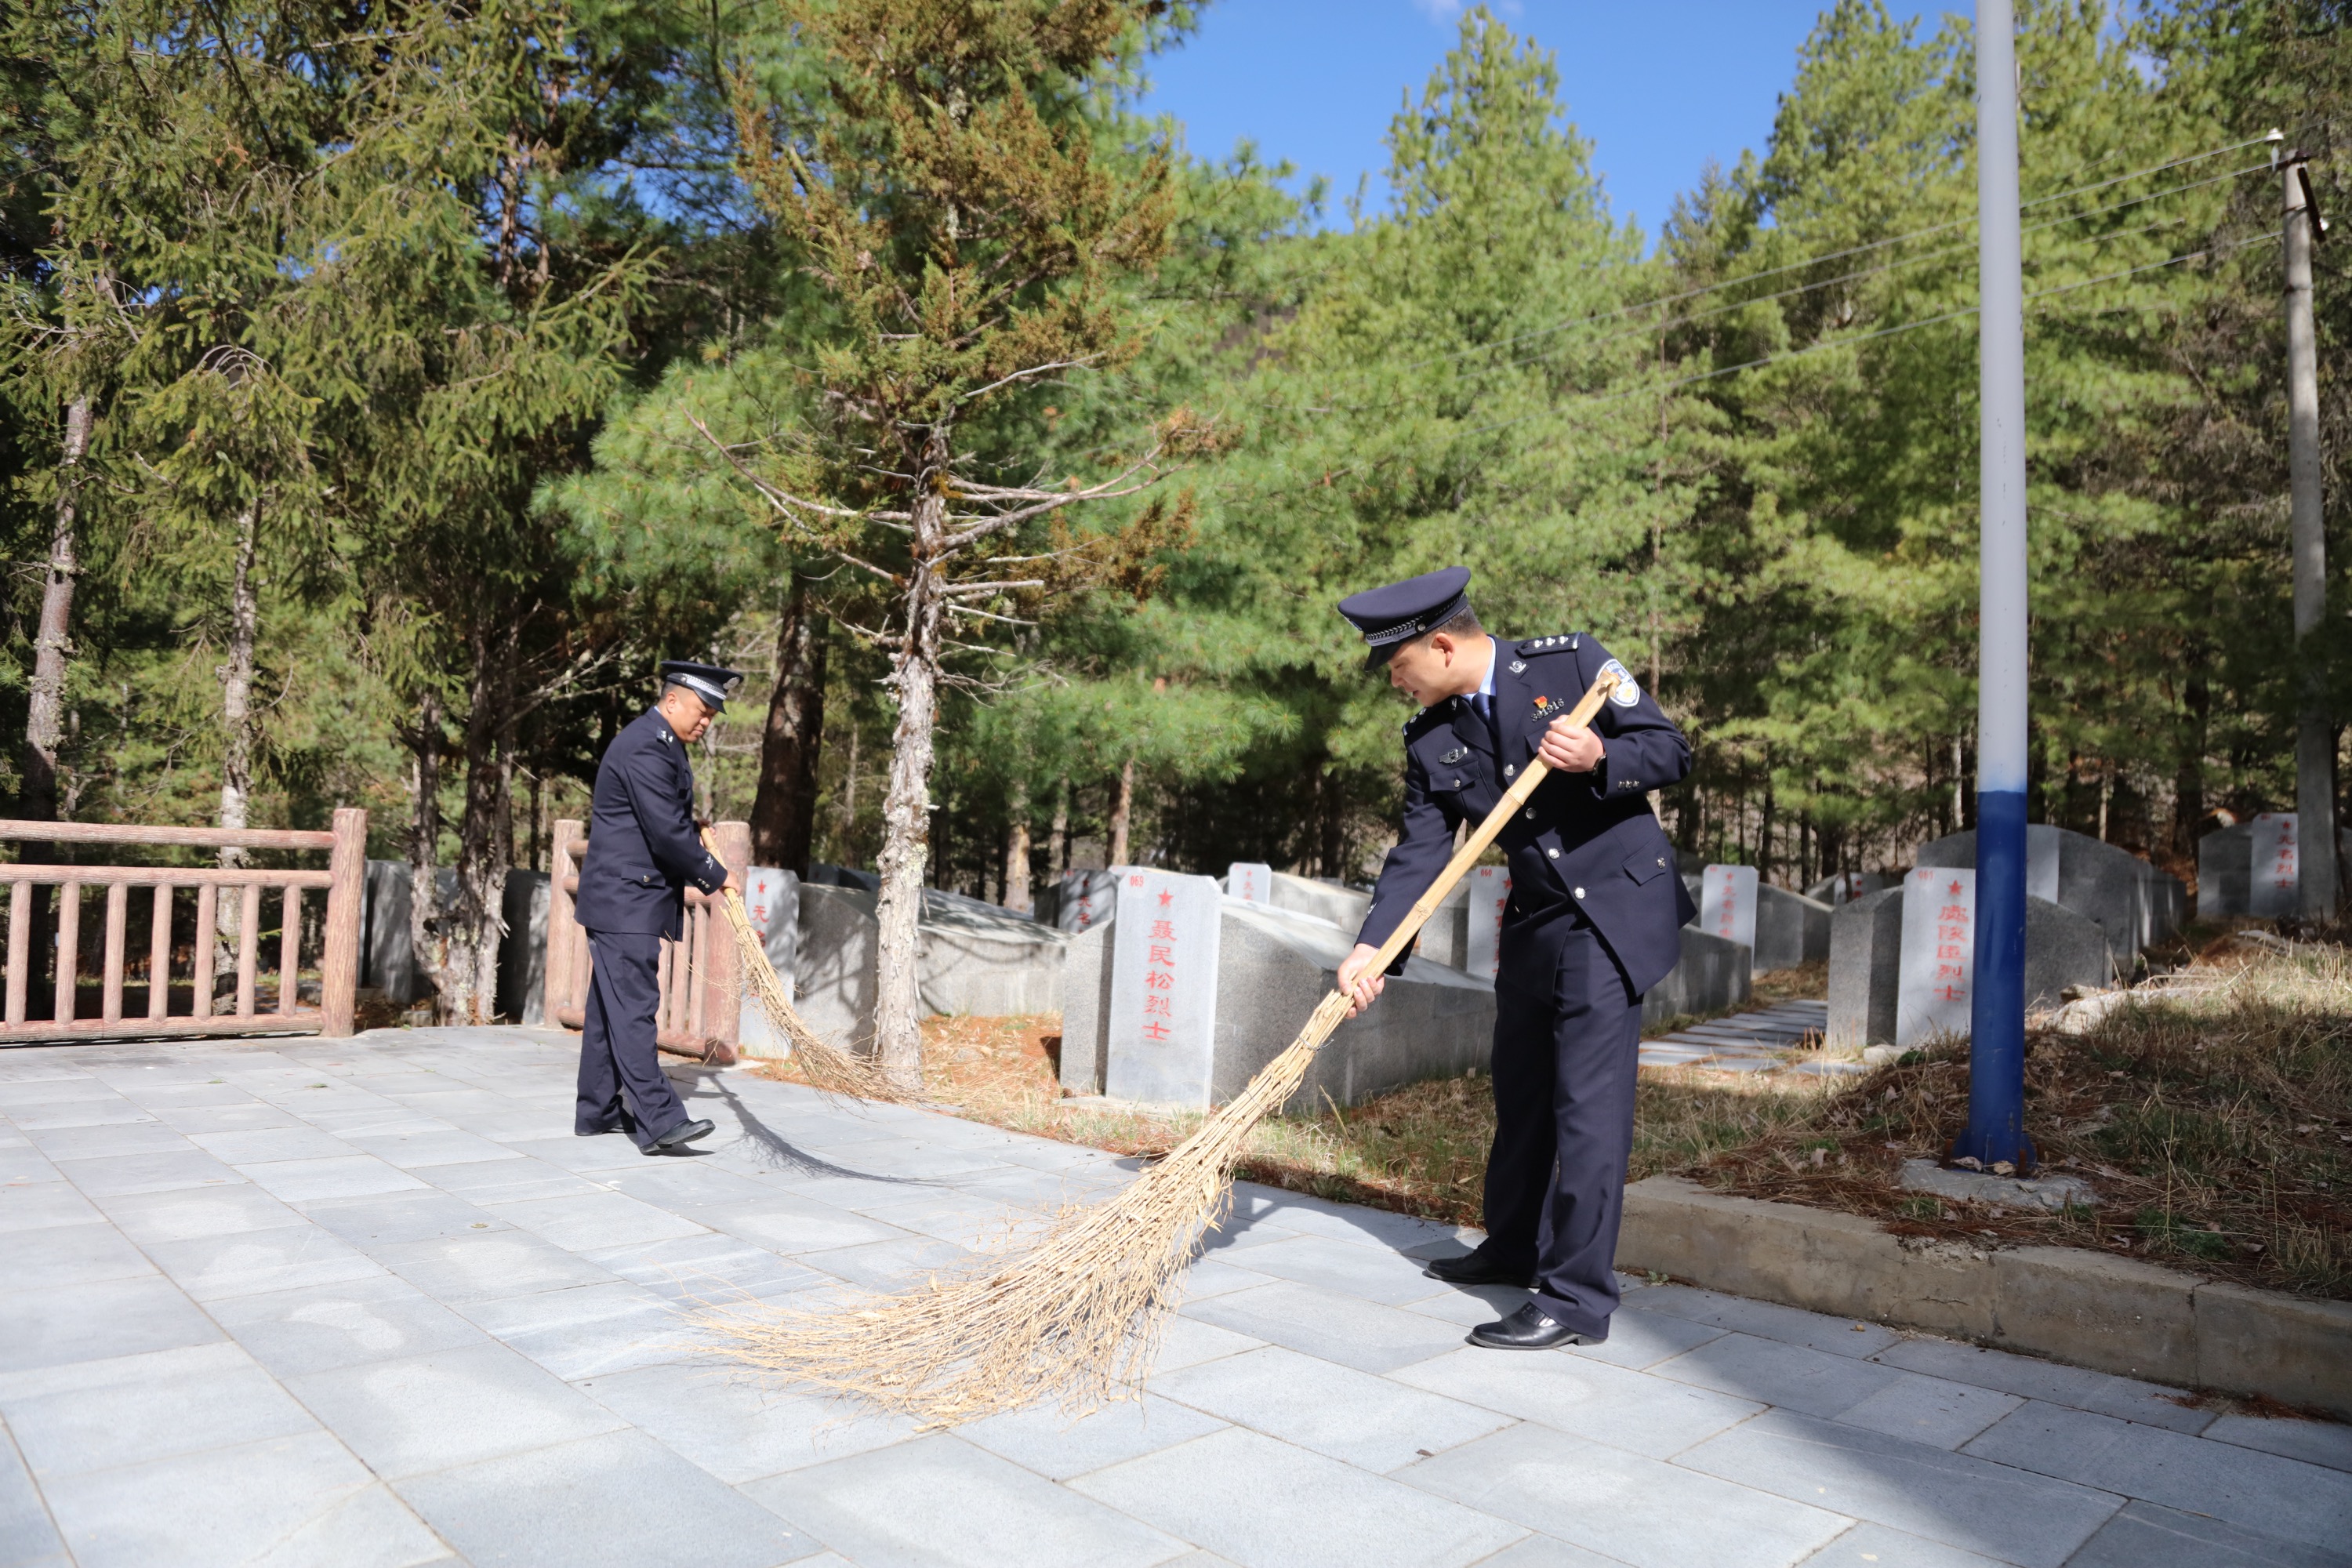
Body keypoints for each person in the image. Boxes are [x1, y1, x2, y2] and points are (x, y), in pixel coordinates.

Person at [1334, 568, 1694, 1350]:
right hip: (1536, 919)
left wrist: (1600, 752)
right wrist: (1374, 947)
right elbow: (1421, 851)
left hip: (1612, 911)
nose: (1396, 683)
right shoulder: (1433, 735)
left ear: (1440, 644)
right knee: (1522, 1089)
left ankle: (1575, 1298)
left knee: (1585, 1109)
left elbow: (1670, 749)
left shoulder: (1572, 667)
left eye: (1398, 668)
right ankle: (1513, 1245)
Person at [572, 660, 744, 1155]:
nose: (706, 720)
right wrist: (715, 873)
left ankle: (598, 1111)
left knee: (610, 1010)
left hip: (623, 898)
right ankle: (661, 1119)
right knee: (635, 1009)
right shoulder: (648, 745)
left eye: (713, 713)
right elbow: (666, 833)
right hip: (626, 900)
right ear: (672, 700)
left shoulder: (656, 741)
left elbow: (661, 817)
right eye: (701, 709)